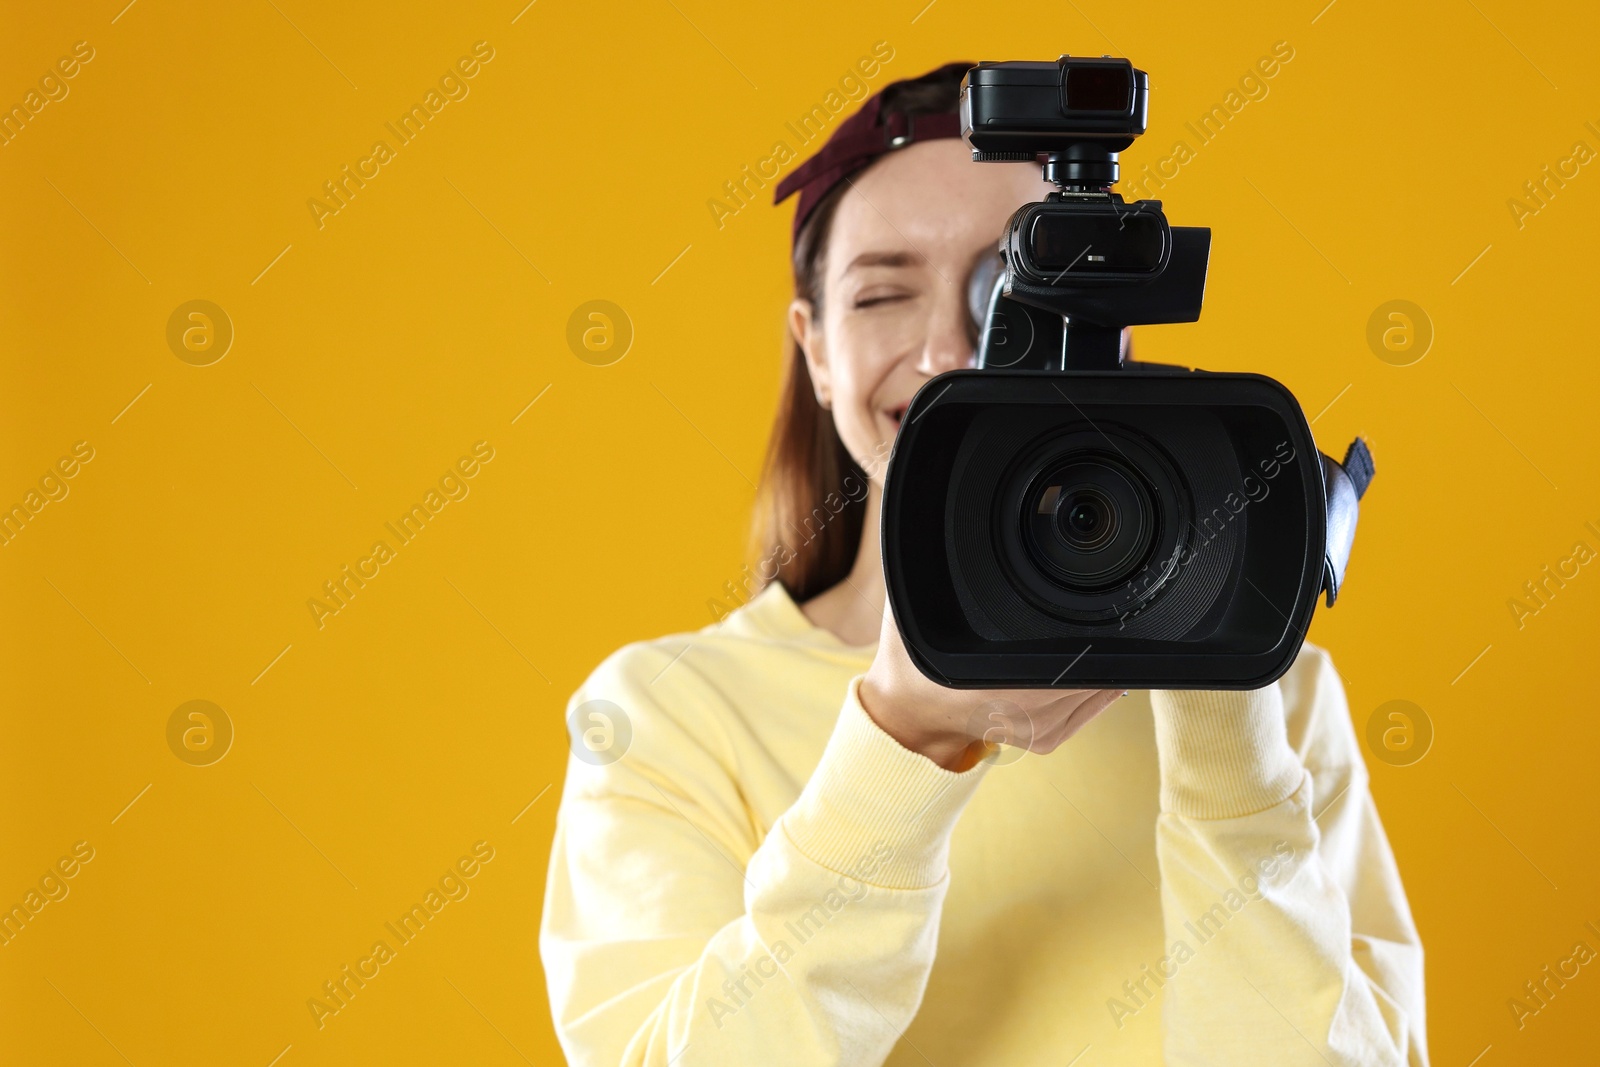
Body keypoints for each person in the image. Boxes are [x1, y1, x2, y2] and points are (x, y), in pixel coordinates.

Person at [540, 62, 1427, 1066]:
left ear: (1114, 329)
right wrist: (901, 737)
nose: (949, 352)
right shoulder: (670, 712)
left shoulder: (1280, 691)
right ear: (816, 349)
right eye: (881, 294)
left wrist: (1224, 706)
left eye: (1007, 292)